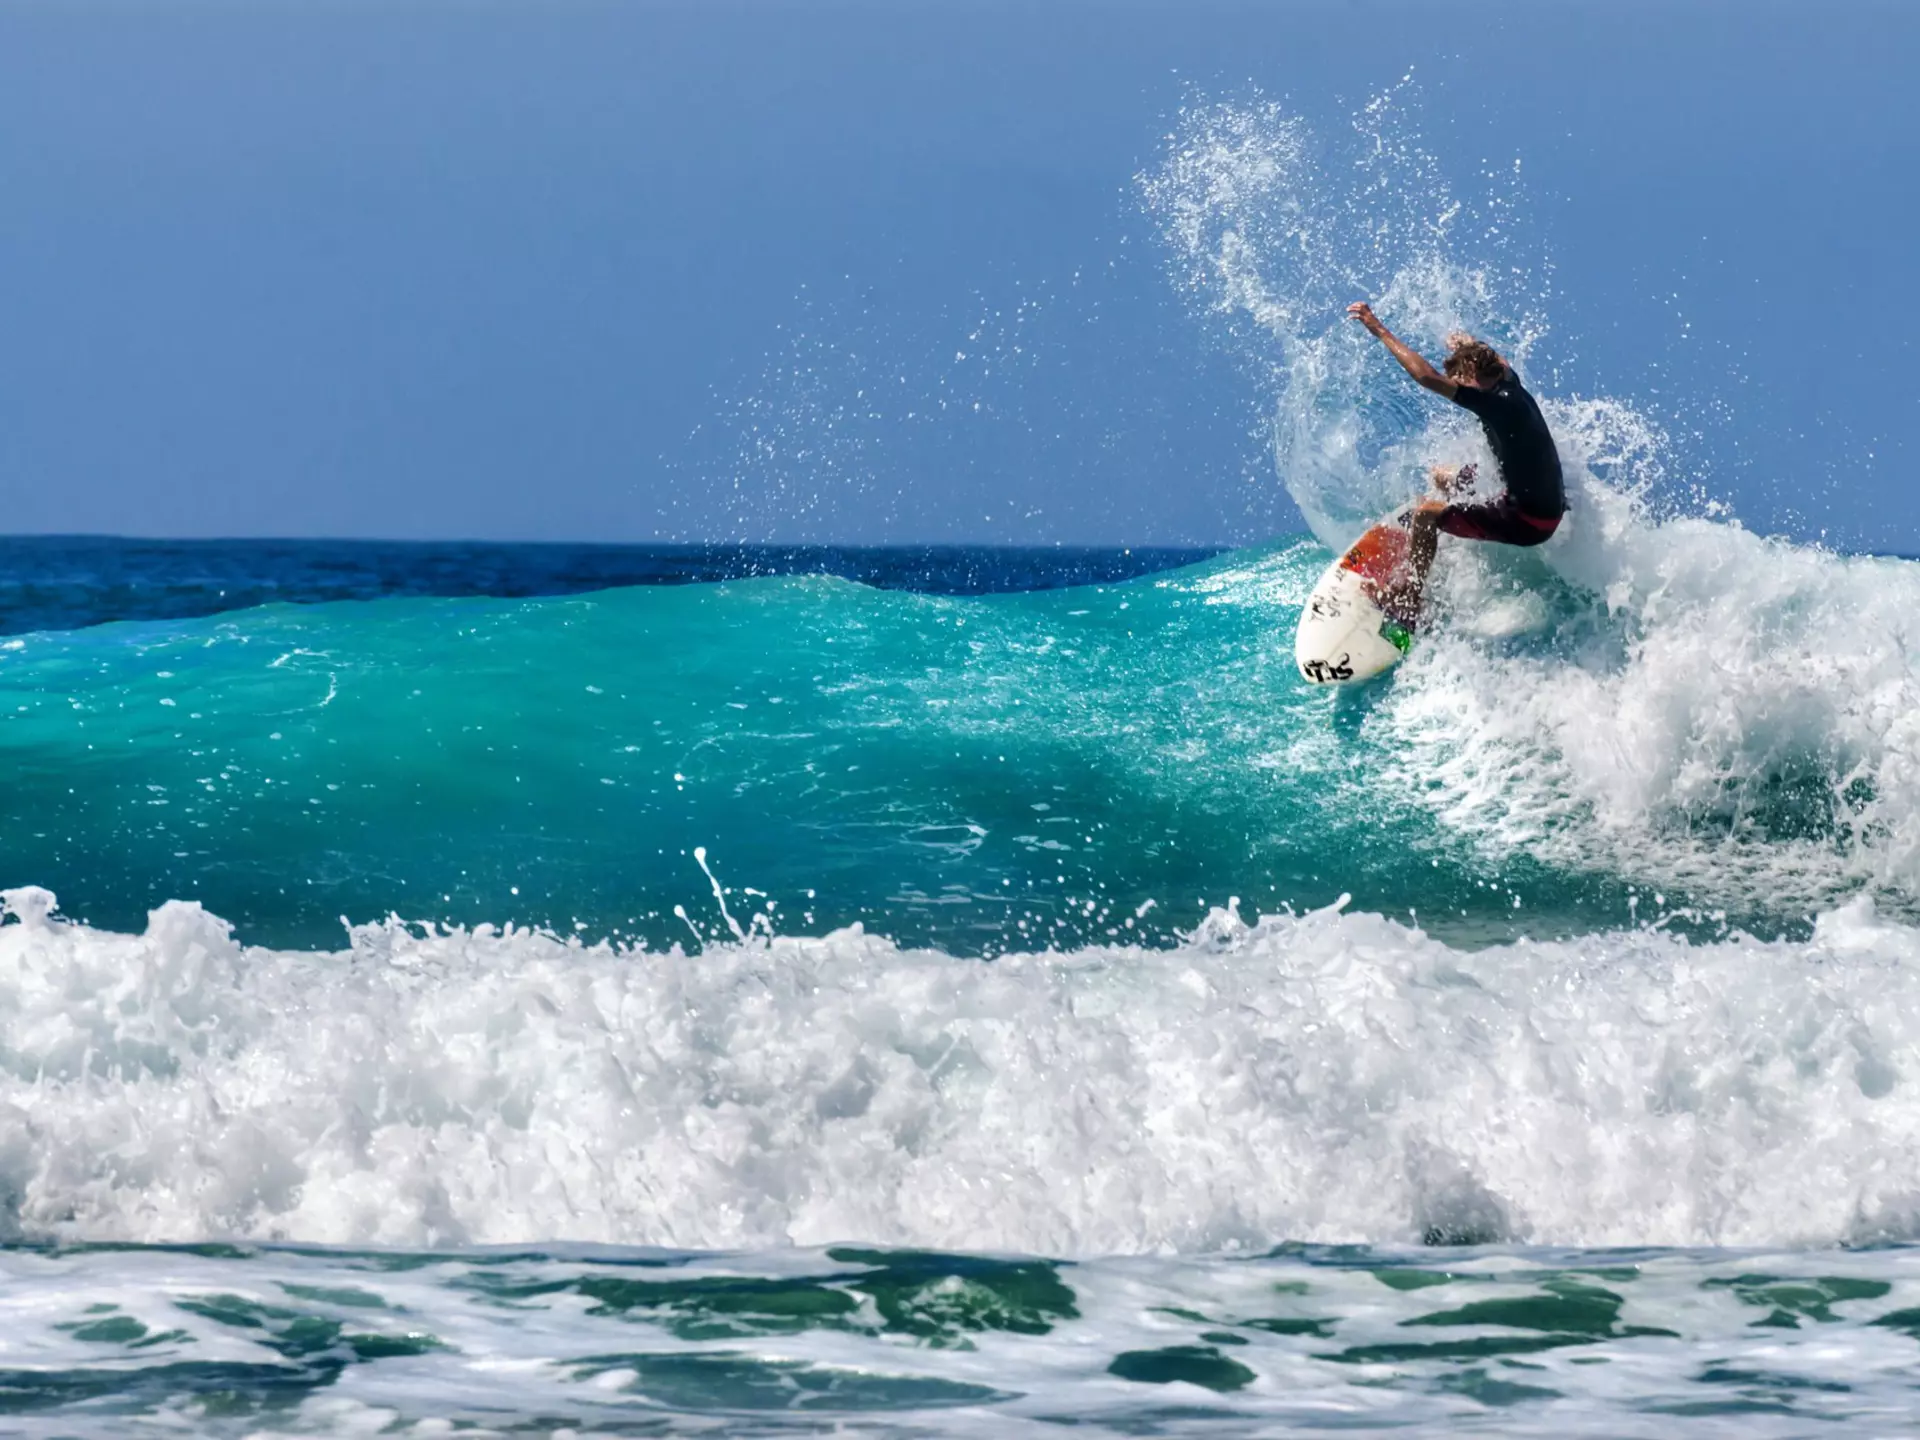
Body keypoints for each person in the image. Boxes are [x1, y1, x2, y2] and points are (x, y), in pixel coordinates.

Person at [1345, 301, 1565, 617]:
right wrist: (1462, 344)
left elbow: (1425, 376)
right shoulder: (1505, 375)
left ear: (1473, 374)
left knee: (1424, 514)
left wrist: (1377, 328)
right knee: (1441, 476)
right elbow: (1481, 350)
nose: (1458, 387)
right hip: (1532, 495)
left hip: (1529, 521)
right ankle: (1441, 536)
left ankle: (1408, 598)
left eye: (1461, 379)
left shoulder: (1494, 403)